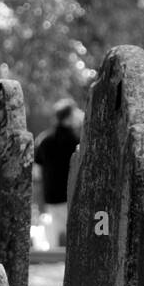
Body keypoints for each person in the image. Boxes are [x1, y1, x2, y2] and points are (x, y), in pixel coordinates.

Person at [34, 99, 83, 249]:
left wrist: (39, 200)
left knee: (52, 241)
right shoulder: (76, 141)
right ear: (70, 116)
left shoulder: (44, 140)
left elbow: (36, 173)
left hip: (51, 198)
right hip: (71, 197)